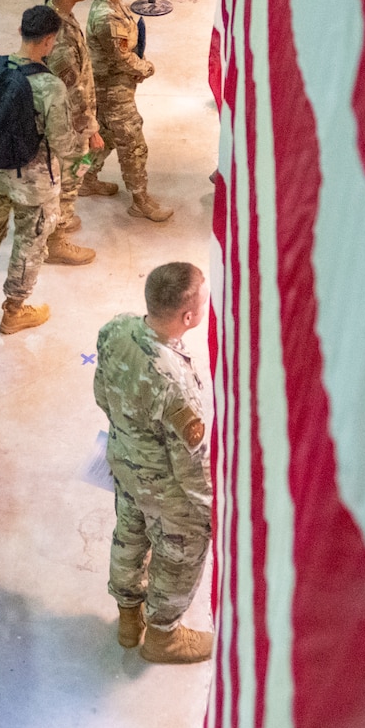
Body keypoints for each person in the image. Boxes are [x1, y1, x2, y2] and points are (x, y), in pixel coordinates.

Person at [94, 261, 214, 664]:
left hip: (124, 461)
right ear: (188, 316)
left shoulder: (116, 329)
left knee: (129, 536)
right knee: (182, 550)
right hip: (163, 486)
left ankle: (129, 616)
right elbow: (190, 468)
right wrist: (212, 511)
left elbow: (103, 394)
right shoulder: (175, 384)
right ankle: (163, 636)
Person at [0, 5, 79, 335]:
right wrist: (81, 149)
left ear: (20, 32)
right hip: (35, 185)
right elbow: (61, 143)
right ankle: (14, 310)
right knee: (30, 244)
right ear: (49, 40)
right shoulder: (50, 86)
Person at [83, 0, 173, 222]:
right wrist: (145, 68)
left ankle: (83, 178)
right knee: (134, 145)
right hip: (112, 92)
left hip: (113, 85)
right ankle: (140, 199)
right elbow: (121, 57)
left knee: (105, 139)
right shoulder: (106, 17)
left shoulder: (113, 4)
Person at [42, 0, 104, 266]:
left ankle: (59, 224)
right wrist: (89, 127)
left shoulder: (57, 16)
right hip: (69, 124)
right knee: (70, 177)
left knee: (69, 175)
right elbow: (70, 87)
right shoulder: (61, 34)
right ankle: (57, 240)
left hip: (70, 119)